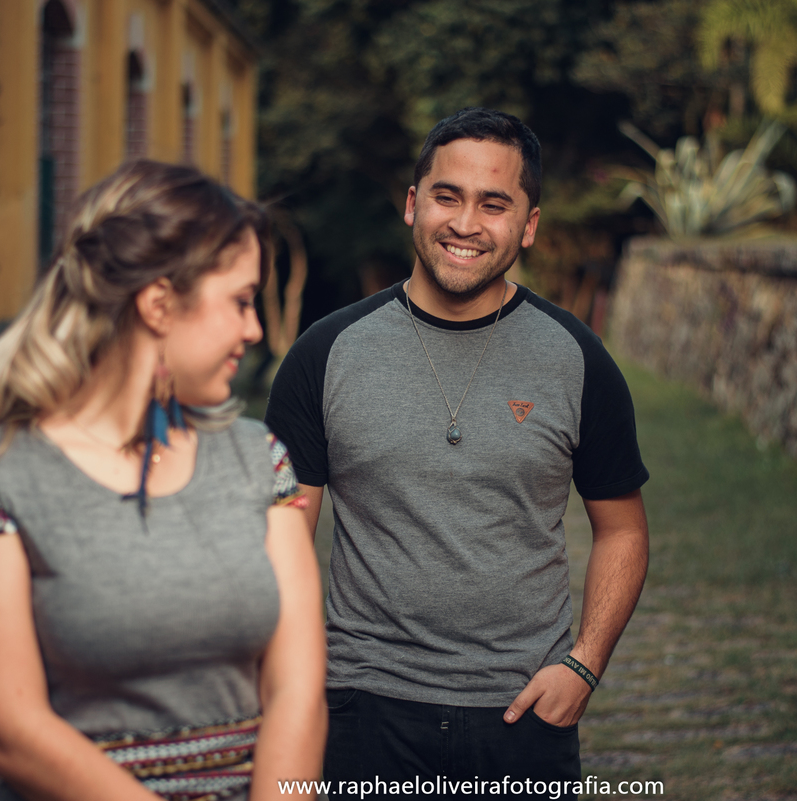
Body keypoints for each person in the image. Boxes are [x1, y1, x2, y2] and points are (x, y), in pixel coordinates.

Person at [0, 160, 327, 801]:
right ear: (159, 303)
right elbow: (8, 730)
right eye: (240, 302)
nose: (255, 330)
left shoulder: (257, 456)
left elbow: (298, 689)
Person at [264, 108, 649, 797]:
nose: (466, 223)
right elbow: (280, 536)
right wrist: (300, 683)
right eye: (447, 196)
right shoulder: (325, 354)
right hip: (363, 707)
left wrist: (584, 665)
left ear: (528, 224)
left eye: (494, 204)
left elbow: (622, 528)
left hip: (525, 713)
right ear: (414, 204)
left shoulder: (577, 359)